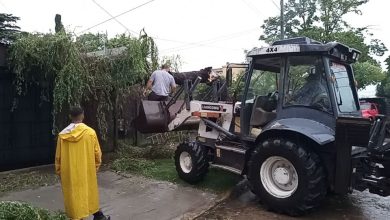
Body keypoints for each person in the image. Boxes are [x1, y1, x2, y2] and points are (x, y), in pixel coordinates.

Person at [55, 106, 110, 220]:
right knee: (88, 195)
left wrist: (60, 172)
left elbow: (58, 157)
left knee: (74, 199)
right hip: (86, 171)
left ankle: (79, 217)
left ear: (70, 116)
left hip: (70, 173)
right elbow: (97, 155)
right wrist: (94, 169)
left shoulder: (62, 136)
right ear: (83, 115)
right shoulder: (90, 133)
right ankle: (99, 217)